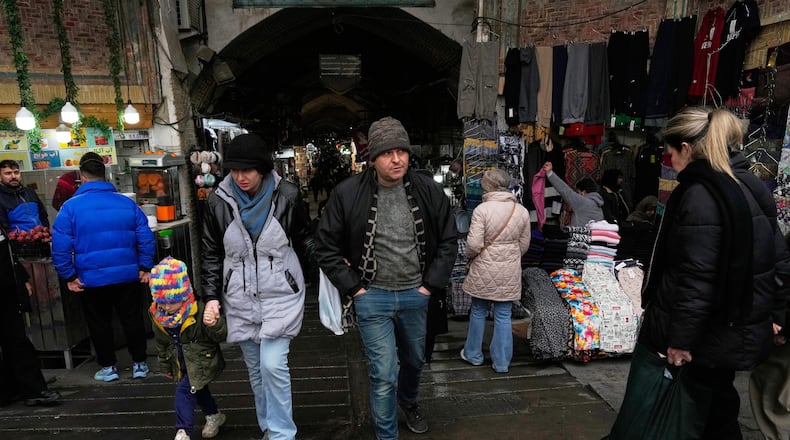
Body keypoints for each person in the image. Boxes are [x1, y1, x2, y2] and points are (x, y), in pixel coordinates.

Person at [609, 107, 790, 439]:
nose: (669, 160)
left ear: (687, 149)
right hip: (733, 325)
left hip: (708, 331)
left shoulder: (700, 194)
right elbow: (778, 258)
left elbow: (696, 278)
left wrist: (681, 340)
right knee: (717, 405)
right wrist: (777, 312)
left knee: (699, 411)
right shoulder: (750, 184)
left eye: (670, 152)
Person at [314, 116, 457, 439]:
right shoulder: (348, 193)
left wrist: (428, 286)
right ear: (372, 158)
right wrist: (355, 288)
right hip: (372, 296)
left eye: (402, 151)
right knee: (383, 372)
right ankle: (387, 435)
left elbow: (449, 240)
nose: (397, 159)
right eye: (387, 153)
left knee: (416, 359)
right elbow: (324, 246)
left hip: (415, 294)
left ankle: (408, 401)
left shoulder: (428, 190)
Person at [200, 133, 313, 440]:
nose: (241, 177)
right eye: (235, 170)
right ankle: (267, 425)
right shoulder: (217, 201)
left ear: (262, 169)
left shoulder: (287, 194)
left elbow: (304, 238)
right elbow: (211, 252)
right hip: (239, 296)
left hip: (281, 292)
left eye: (247, 170)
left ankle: (281, 434)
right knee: (256, 369)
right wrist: (211, 297)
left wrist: (327, 269)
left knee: (272, 364)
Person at [52, 151, 155, 382]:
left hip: (91, 278)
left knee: (99, 322)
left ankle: (108, 368)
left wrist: (68, 275)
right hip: (127, 275)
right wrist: (145, 266)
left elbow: (59, 246)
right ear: (105, 175)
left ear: (82, 177)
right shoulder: (126, 203)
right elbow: (146, 237)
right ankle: (140, 364)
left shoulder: (69, 208)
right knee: (132, 319)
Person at [460, 168, 531, 373]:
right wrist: (509, 255)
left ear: (488, 185)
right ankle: (501, 363)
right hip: (509, 269)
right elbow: (524, 244)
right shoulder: (521, 211)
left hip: (483, 266)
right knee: (503, 314)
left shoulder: (482, 210)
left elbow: (473, 245)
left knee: (479, 311)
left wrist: (472, 258)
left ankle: (473, 354)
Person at [149, 257, 227, 440]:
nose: (167, 307)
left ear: (184, 295)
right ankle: (214, 415)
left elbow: (220, 336)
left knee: (185, 392)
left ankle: (183, 431)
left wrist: (213, 324)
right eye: (163, 302)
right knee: (199, 390)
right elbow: (161, 342)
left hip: (201, 361)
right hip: (179, 361)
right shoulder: (157, 315)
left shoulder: (197, 310)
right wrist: (165, 366)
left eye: (172, 302)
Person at [0, 222, 61, 407]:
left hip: (7, 292)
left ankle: (27, 389)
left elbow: (8, 254)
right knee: (15, 341)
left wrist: (21, 278)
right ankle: (20, 390)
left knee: (16, 340)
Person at [542, 161, 604, 226]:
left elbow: (566, 191)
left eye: (578, 192)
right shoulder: (598, 206)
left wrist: (550, 173)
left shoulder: (583, 202)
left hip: (582, 235)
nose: (577, 195)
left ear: (583, 192)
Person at [0, 159, 49, 231]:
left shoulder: (30, 192)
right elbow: (4, 227)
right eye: (8, 173)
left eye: (16, 172)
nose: (13, 176)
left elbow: (43, 215)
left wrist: (45, 232)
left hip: (39, 238)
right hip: (16, 241)